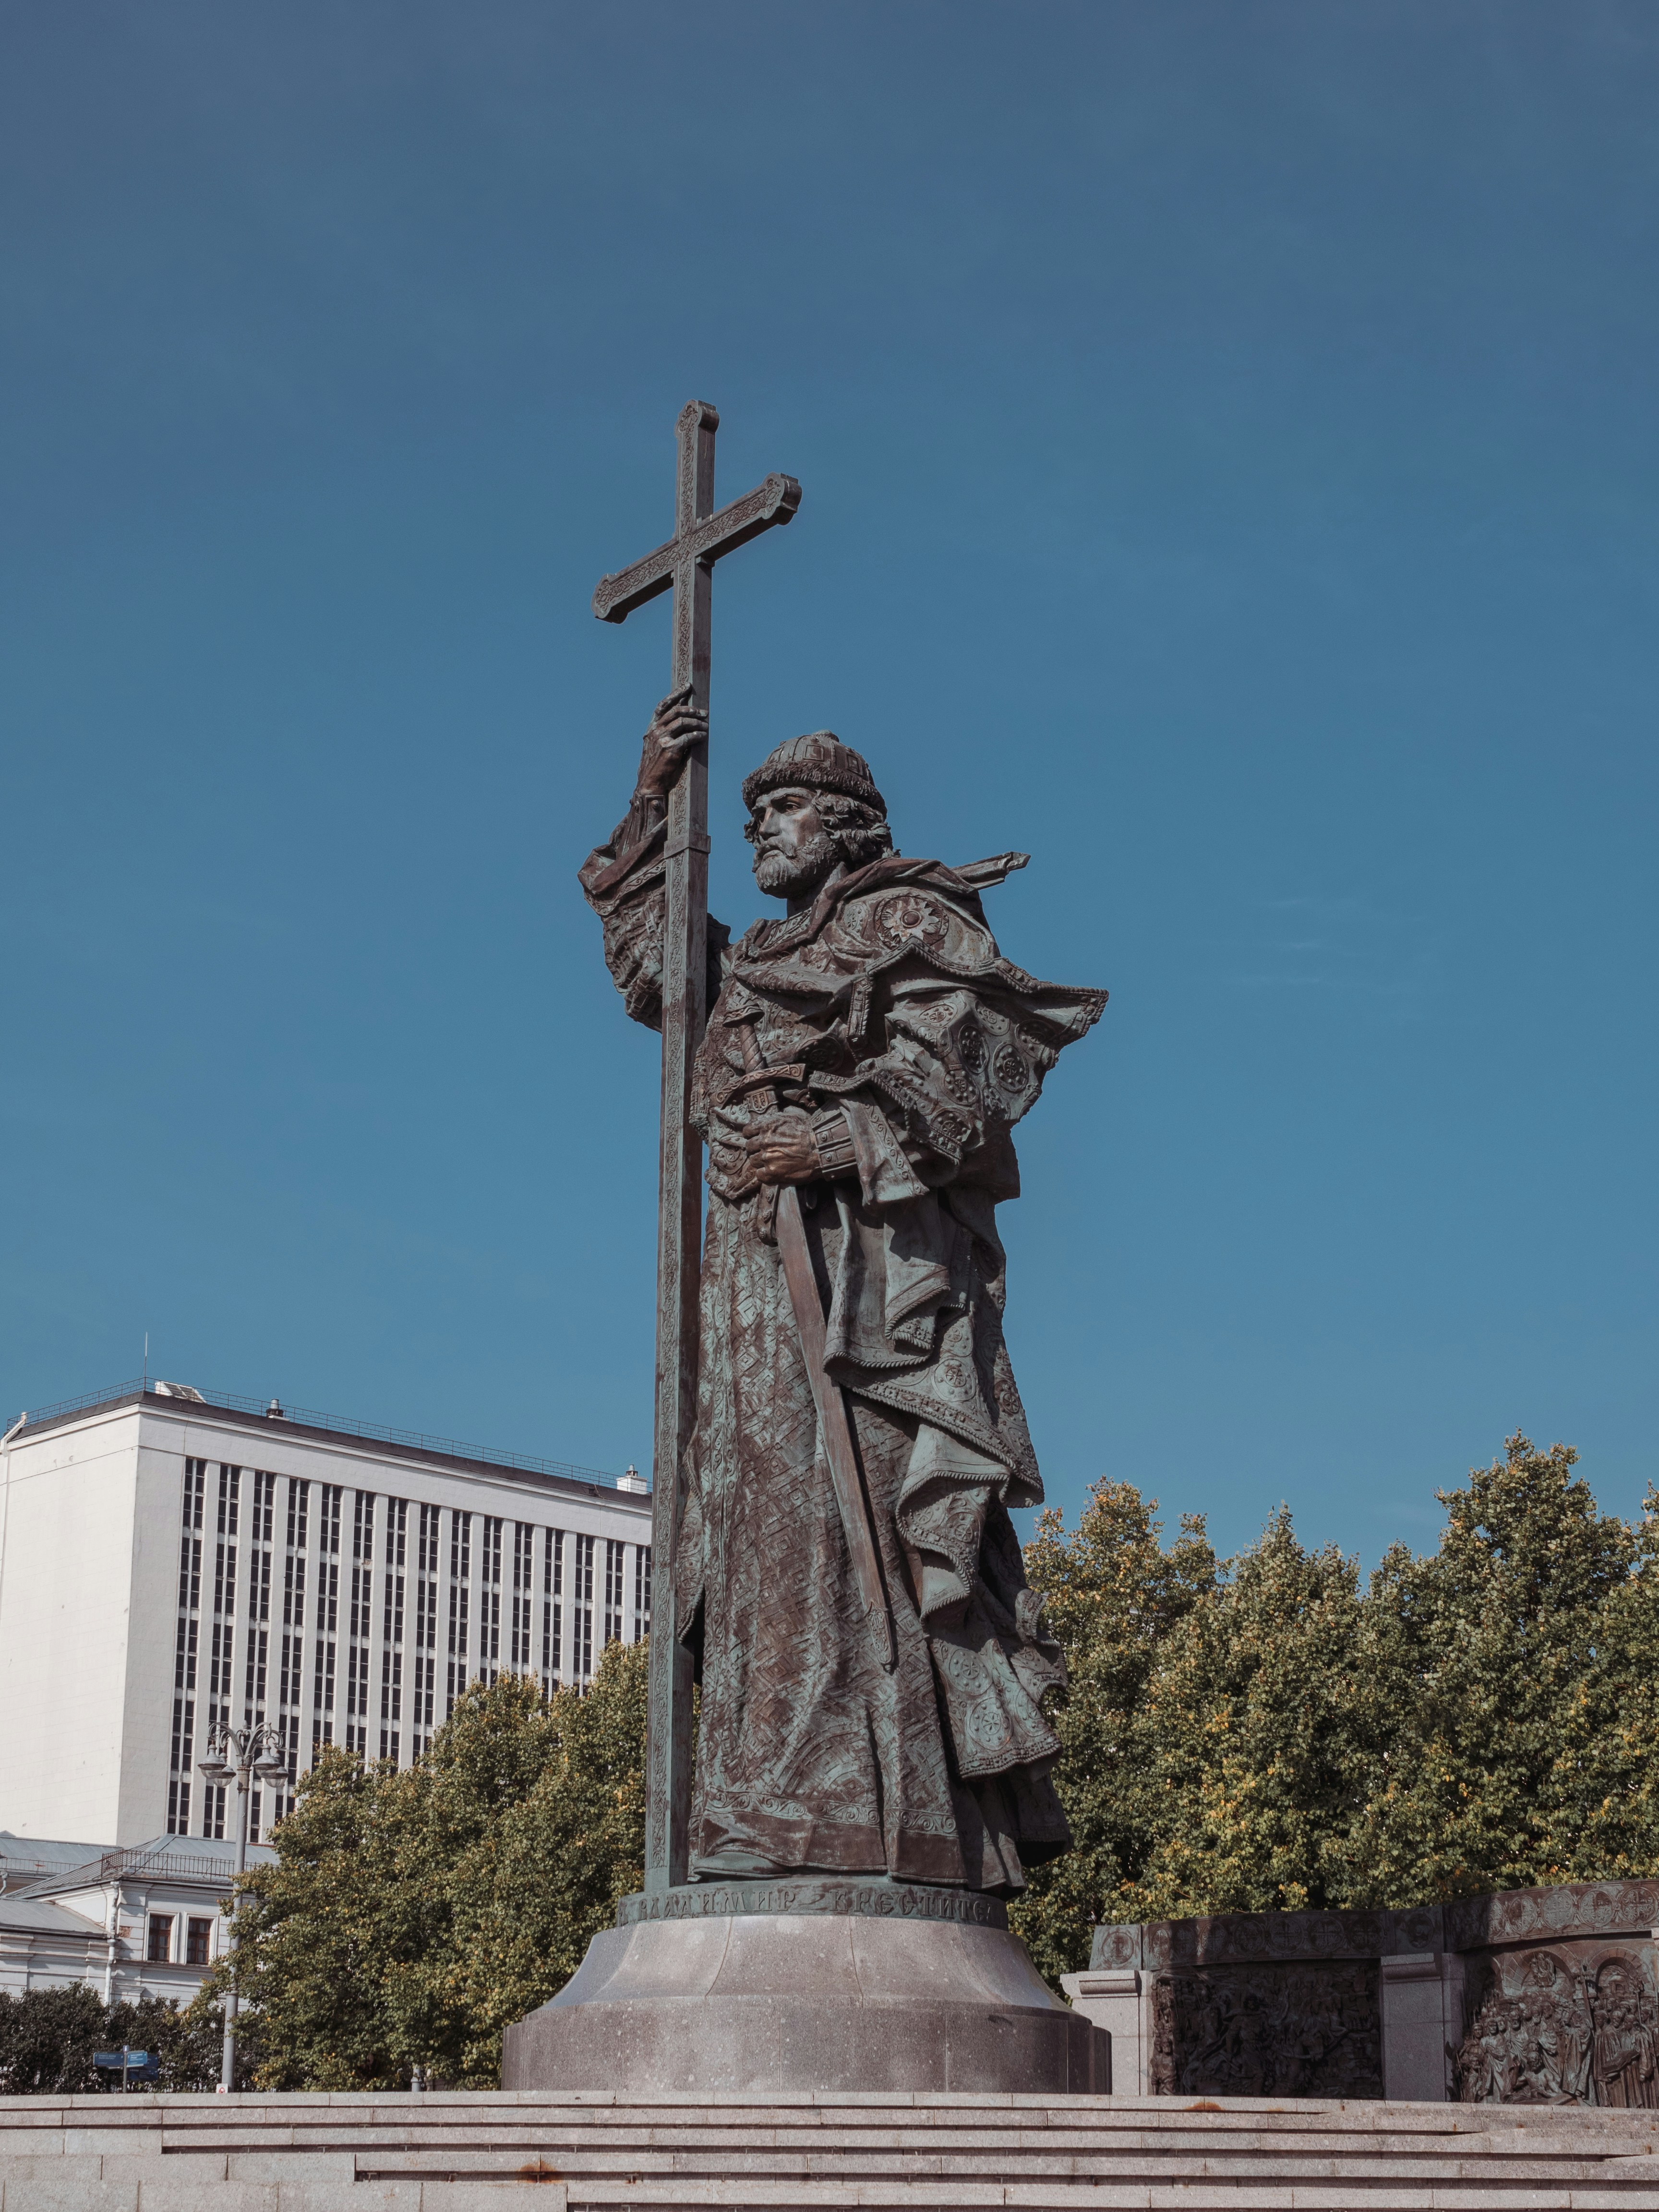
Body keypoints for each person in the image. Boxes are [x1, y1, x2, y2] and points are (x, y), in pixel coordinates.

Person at [580, 691, 1106, 1892]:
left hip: (863, 1296)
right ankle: (760, 1801)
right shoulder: (753, 961)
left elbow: (966, 1084)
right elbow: (656, 970)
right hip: (750, 1287)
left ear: (851, 824)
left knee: (838, 1526)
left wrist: (823, 1144)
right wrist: (655, 799)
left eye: (787, 809)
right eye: (753, 809)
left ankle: (872, 1812)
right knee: (750, 1530)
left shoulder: (904, 920)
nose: (764, 829)